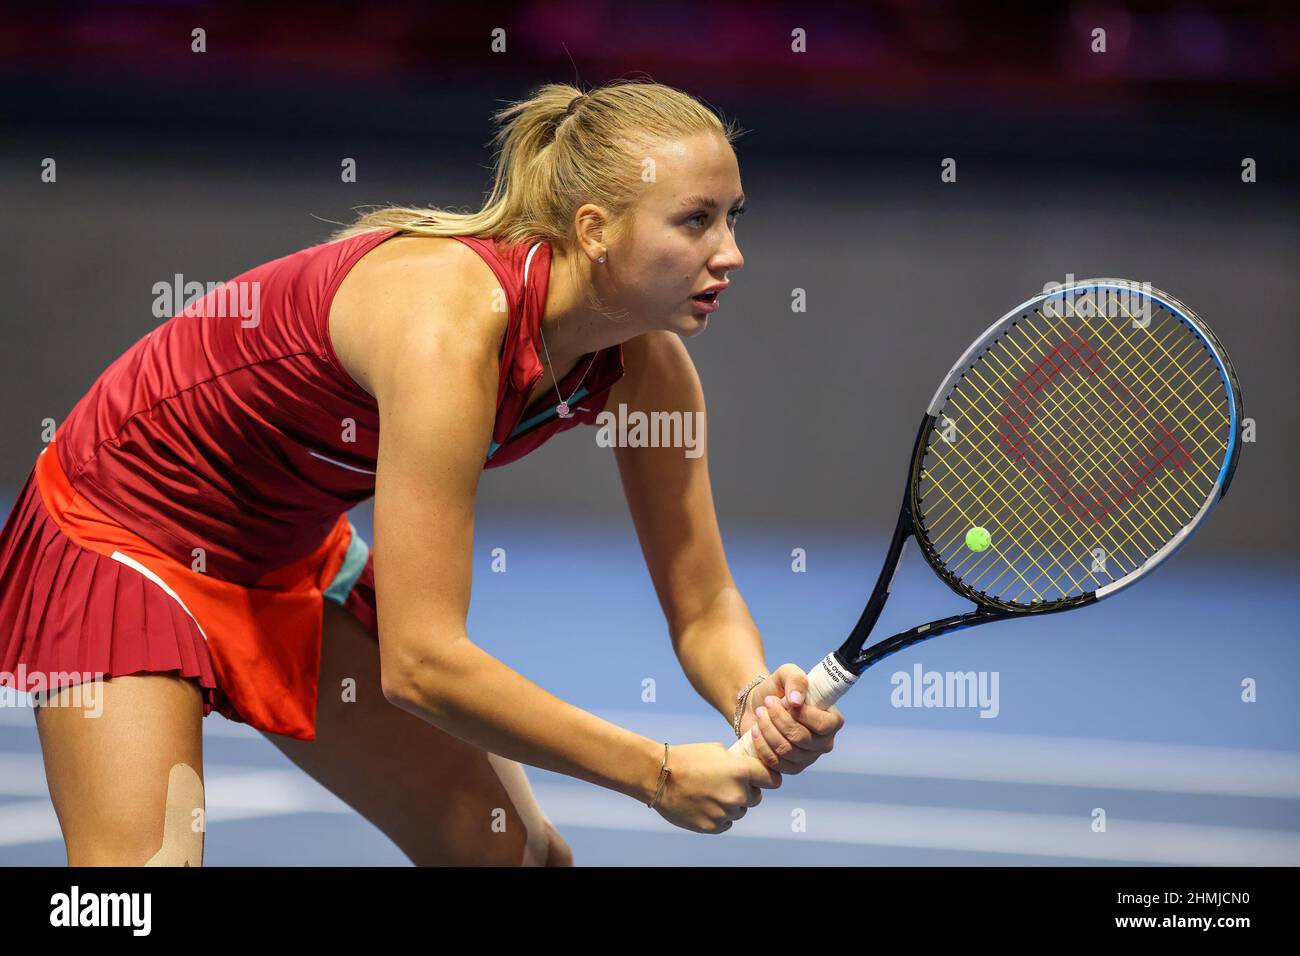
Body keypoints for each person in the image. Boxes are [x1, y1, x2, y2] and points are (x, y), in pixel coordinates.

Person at [0, 79, 843, 867]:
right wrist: (655, 771)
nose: (730, 253)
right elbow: (421, 664)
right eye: (696, 221)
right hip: (123, 535)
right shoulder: (451, 326)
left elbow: (702, 603)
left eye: (734, 216)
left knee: (515, 859)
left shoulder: (647, 371)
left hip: (287, 554)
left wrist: (752, 698)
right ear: (594, 230)